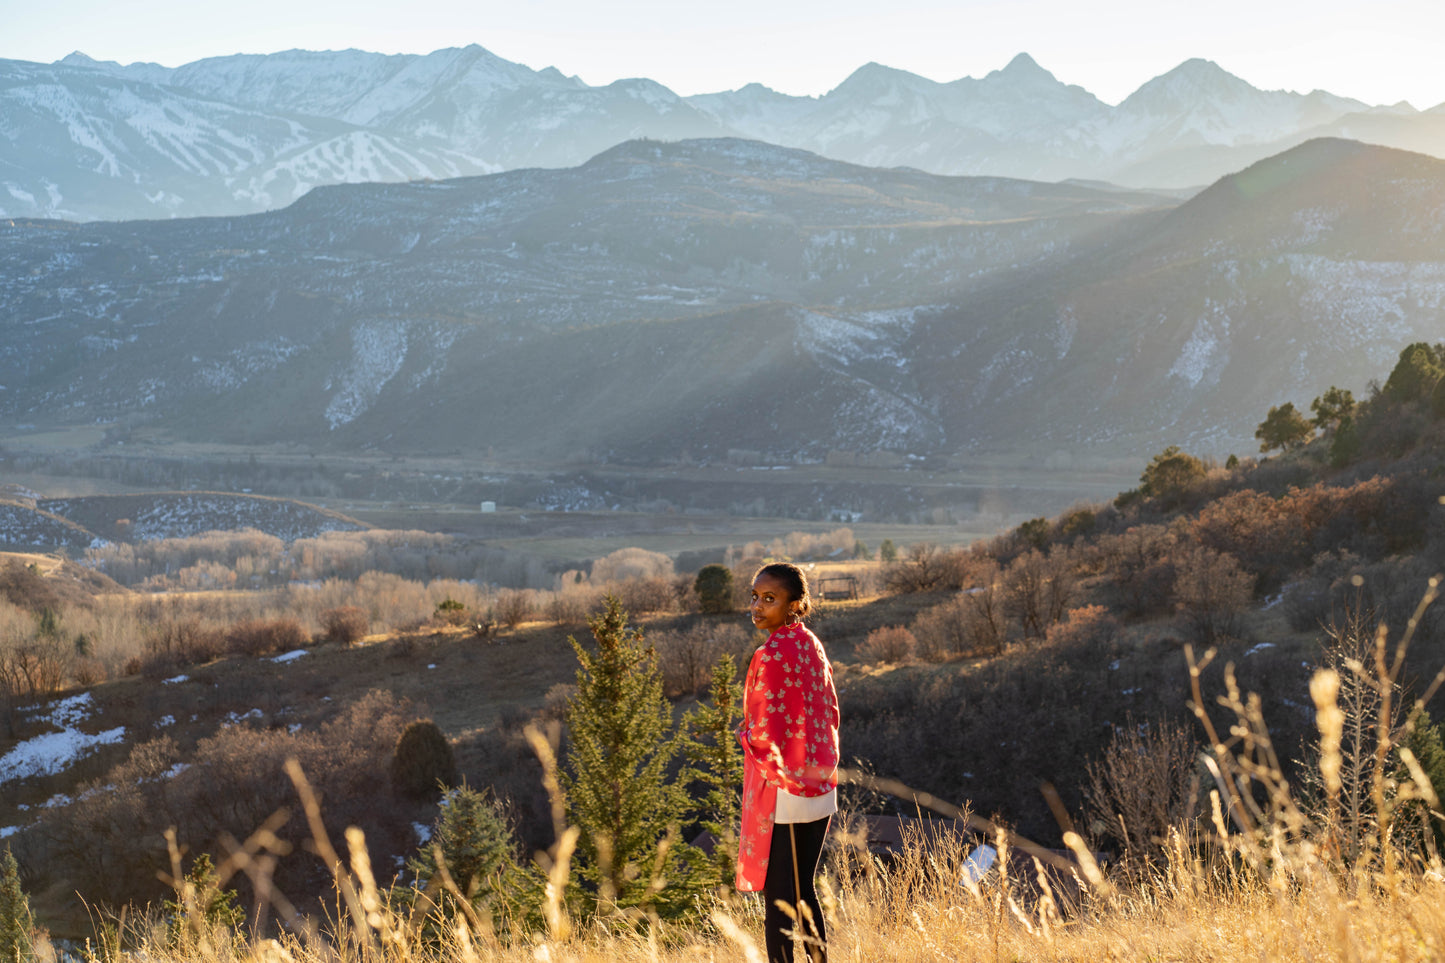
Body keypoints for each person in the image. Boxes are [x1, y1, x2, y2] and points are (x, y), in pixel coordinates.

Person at [736, 562, 840, 963]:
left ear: (795, 604)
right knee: (804, 889)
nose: (757, 606)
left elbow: (764, 733)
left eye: (769, 599)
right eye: (755, 596)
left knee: (778, 899)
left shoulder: (771, 654)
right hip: (820, 783)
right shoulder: (810, 643)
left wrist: (743, 736)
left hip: (784, 791)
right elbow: (828, 711)